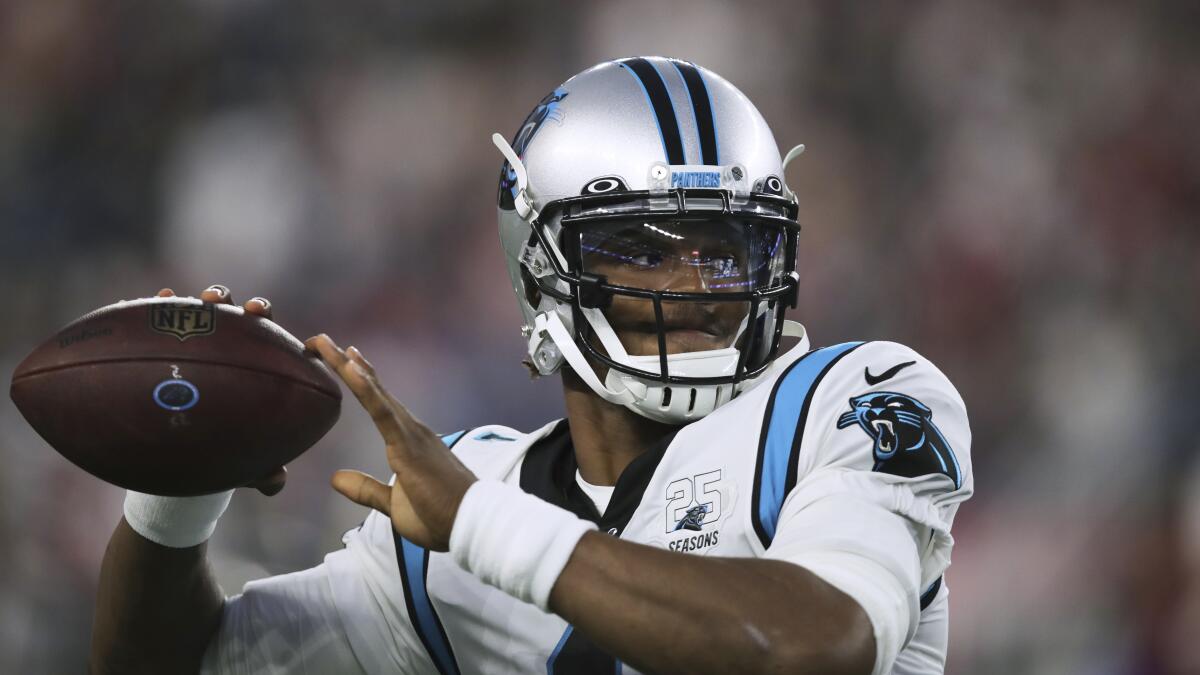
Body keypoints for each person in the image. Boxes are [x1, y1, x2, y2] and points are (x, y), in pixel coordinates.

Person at [90, 57, 973, 675]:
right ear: (540, 268)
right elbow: (180, 663)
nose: (698, 286)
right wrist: (178, 484)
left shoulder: (852, 399)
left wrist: (484, 527)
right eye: (643, 248)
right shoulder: (469, 493)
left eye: (729, 249)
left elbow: (813, 644)